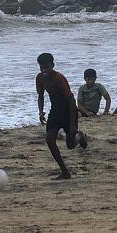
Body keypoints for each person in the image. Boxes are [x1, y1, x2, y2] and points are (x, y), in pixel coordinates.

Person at [36, 52, 82, 180]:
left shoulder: (59, 78)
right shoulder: (40, 78)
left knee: (71, 145)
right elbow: (40, 96)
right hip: (55, 111)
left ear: (52, 66)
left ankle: (80, 136)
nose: (44, 71)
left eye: (47, 67)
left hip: (68, 111)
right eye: (42, 68)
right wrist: (41, 112)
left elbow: (71, 100)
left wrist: (72, 123)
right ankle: (65, 171)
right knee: (49, 140)